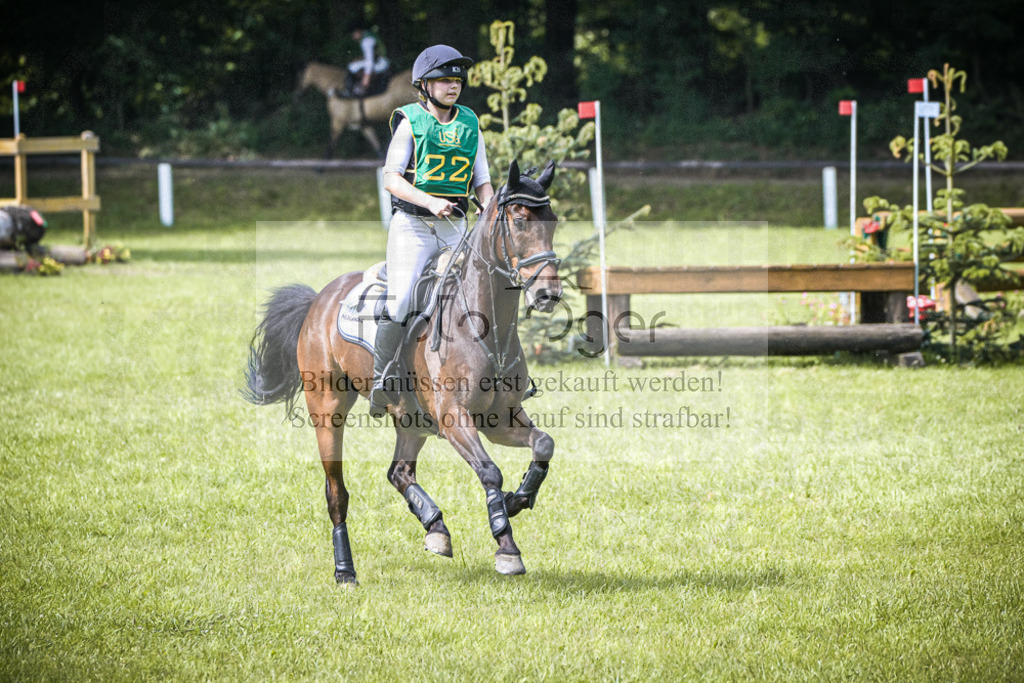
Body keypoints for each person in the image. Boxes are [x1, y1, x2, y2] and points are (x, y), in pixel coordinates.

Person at [369, 44, 495, 417]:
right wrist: (430, 201)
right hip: (414, 227)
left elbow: (482, 180)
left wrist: (488, 205)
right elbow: (391, 179)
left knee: (483, 292)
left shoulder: (471, 122)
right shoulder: (410, 122)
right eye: (443, 80)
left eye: (456, 80)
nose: (452, 86)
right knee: (405, 298)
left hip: (457, 227)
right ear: (424, 85)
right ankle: (382, 378)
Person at [346, 22, 390, 96]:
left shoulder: (366, 41)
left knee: (351, 67)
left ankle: (350, 91)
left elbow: (369, 61)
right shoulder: (369, 35)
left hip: (380, 63)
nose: (353, 37)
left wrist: (366, 78)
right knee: (354, 64)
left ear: (358, 31)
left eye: (353, 34)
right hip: (382, 60)